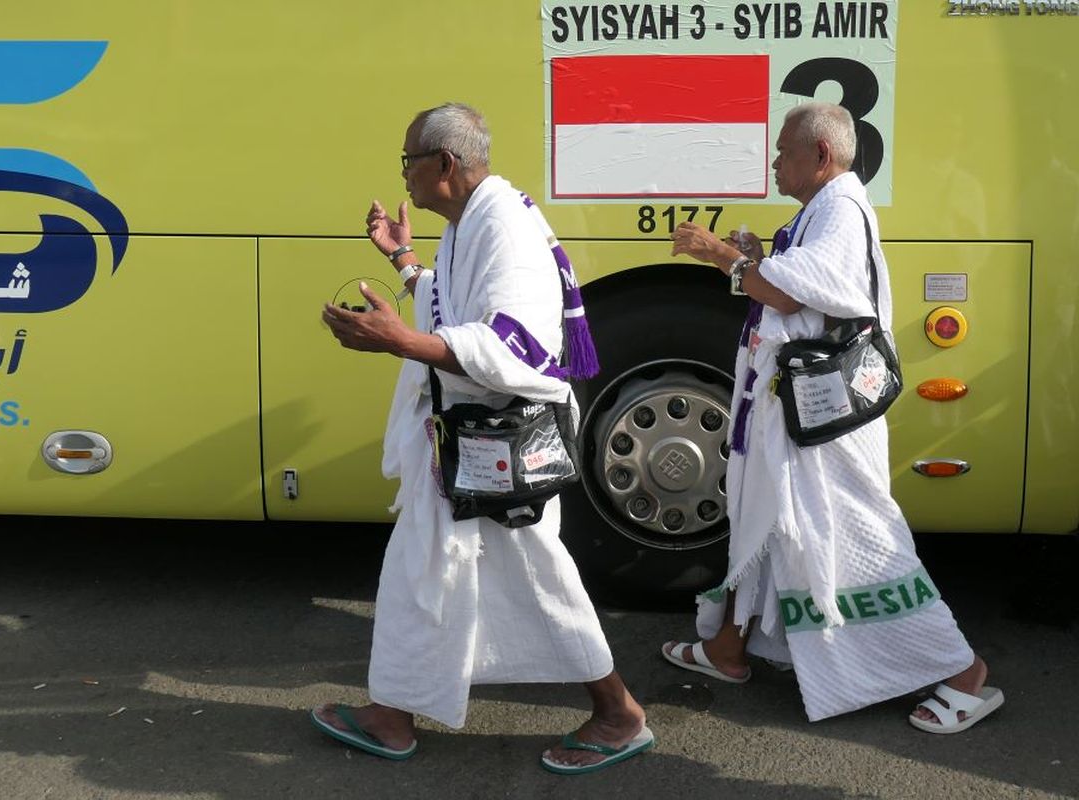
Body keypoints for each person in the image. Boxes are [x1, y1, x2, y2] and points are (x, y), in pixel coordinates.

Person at [313, 102, 653, 772]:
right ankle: (391, 713)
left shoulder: (504, 226)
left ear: (443, 162)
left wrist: (401, 342)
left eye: (408, 160)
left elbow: (519, 343)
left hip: (500, 446)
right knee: (424, 569)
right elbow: (455, 301)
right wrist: (406, 263)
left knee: (534, 576)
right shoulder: (475, 220)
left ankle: (618, 713)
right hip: (469, 445)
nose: (404, 176)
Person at [663, 102, 1004, 734]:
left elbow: (795, 292)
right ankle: (728, 649)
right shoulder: (823, 209)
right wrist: (758, 256)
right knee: (765, 521)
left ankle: (964, 672)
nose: (774, 161)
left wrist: (723, 257)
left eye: (784, 150)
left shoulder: (841, 208)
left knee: (860, 540)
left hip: (825, 425)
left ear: (820, 155)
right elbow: (803, 288)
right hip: (791, 417)